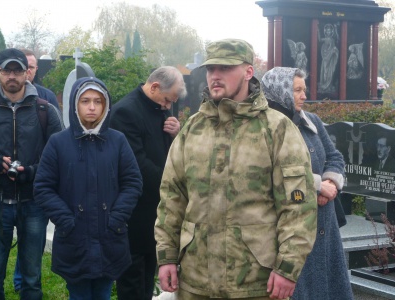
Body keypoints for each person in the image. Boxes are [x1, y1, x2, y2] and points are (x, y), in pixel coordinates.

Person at [154, 39, 317, 299]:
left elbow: (297, 206)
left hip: (254, 284)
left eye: (225, 68)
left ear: (248, 72)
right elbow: (172, 197)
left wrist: (287, 268)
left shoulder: (276, 129)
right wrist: (166, 257)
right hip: (195, 283)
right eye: (211, 69)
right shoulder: (193, 129)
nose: (215, 76)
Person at [33, 77, 143, 299]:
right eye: (85, 101)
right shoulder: (58, 142)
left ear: (106, 105)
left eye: (98, 101)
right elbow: (43, 187)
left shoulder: (118, 141)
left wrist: (117, 217)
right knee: (79, 294)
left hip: (109, 237)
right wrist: (66, 220)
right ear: (75, 104)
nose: (92, 107)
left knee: (103, 292)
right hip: (75, 238)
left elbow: (132, 182)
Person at [261, 67, 353, 300]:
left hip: (324, 224)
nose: (304, 96)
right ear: (280, 91)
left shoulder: (311, 121)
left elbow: (335, 157)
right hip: (294, 226)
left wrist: (330, 181)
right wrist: (317, 185)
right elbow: (271, 168)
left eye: (304, 90)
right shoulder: (265, 126)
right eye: (297, 90)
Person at [110, 66, 187, 300]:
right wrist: (171, 187)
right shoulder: (125, 112)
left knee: (147, 276)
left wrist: (177, 134)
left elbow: (168, 155)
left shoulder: (159, 108)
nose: (167, 107)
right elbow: (137, 164)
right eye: (166, 100)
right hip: (134, 211)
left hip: (155, 208)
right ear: (154, 87)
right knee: (132, 279)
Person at [0, 48, 64, 299]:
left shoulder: (45, 109)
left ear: (27, 73)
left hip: (33, 202)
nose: (12, 76)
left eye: (17, 70)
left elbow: (59, 153)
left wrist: (33, 171)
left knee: (32, 279)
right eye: (6, 70)